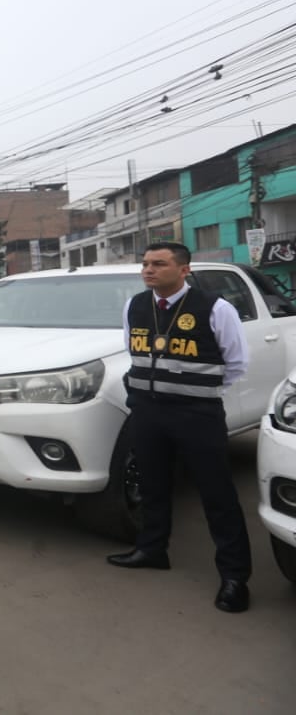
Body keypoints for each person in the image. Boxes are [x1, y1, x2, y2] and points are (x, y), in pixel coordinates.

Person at [107, 242, 252, 613]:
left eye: (159, 264)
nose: (148, 270)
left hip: (196, 415)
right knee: (153, 486)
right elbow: (134, 351)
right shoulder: (135, 306)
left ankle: (235, 577)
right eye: (145, 264)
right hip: (146, 412)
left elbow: (235, 362)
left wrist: (196, 392)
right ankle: (152, 549)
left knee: (217, 495)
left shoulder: (215, 308)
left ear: (184, 270)